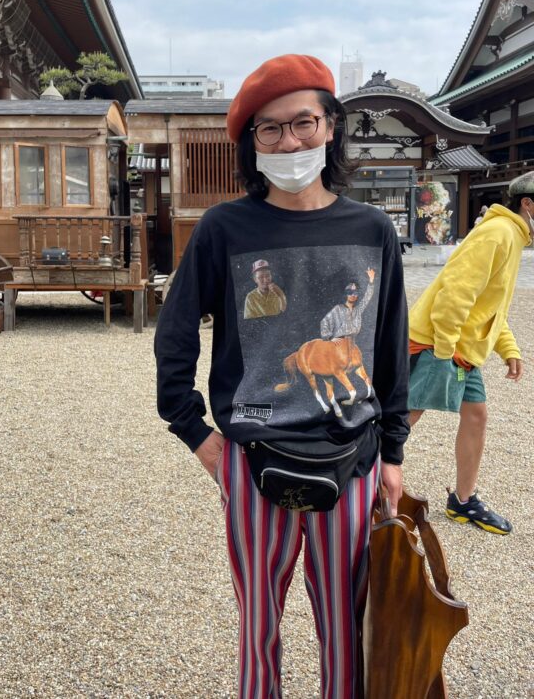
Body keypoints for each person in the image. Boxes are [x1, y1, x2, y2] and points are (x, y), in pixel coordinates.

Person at [155, 54, 409, 699]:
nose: (289, 142)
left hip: (351, 456)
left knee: (346, 628)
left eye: (302, 123)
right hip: (251, 458)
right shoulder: (224, 229)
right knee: (258, 626)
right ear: (252, 143)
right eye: (269, 129)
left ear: (330, 126)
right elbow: (176, 333)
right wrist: (197, 434)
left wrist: (394, 452)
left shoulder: (372, 229)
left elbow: (387, 343)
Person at [408, 171, 534, 534]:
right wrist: (444, 351)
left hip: (461, 347)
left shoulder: (512, 235)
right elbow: (456, 293)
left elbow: (490, 304)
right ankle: (358, 486)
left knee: (476, 416)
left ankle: (463, 501)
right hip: (438, 343)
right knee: (403, 419)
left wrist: (508, 347)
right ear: (527, 203)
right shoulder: (499, 233)